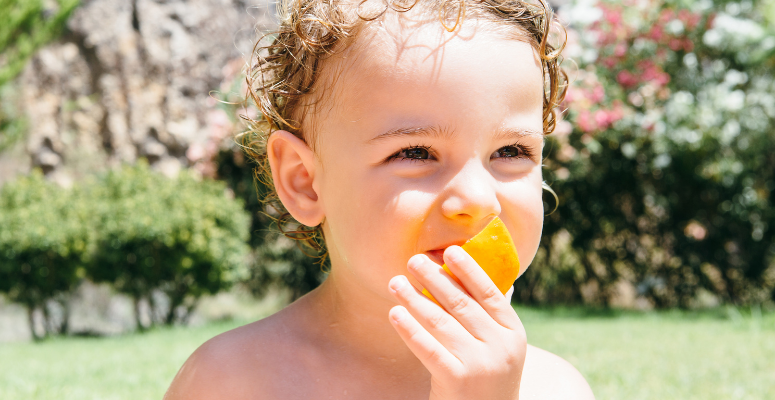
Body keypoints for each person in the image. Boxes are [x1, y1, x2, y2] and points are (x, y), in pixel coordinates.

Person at [166, 0, 594, 398]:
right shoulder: (232, 381)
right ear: (305, 182)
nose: (478, 199)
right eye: (416, 153)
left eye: (511, 151)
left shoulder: (557, 389)